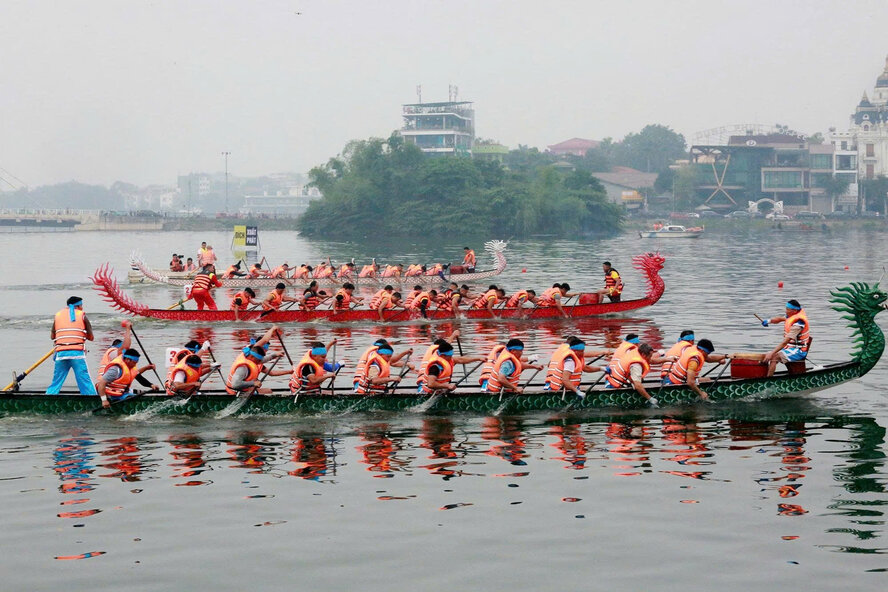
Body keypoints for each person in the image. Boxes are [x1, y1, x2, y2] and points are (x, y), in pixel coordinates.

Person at [47, 296, 97, 395]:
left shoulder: (58, 315)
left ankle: (50, 396)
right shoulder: (82, 315)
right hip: (77, 354)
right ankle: (91, 397)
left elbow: (52, 336)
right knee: (84, 379)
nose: (82, 307)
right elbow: (91, 337)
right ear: (78, 306)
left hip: (61, 354)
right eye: (81, 305)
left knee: (56, 380)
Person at [224, 326, 288, 395]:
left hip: (242, 389)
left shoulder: (250, 352)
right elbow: (235, 385)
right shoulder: (243, 367)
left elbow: (265, 364)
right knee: (268, 392)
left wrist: (274, 355)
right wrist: (253, 383)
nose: (259, 362)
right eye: (265, 350)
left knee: (266, 390)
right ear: (252, 357)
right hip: (235, 392)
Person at [762, 299, 811, 377]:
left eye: (787, 309)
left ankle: (767, 381)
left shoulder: (799, 323)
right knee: (766, 355)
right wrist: (769, 321)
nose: (786, 311)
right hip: (789, 348)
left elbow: (785, 342)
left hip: (799, 351)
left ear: (794, 310)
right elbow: (780, 319)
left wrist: (772, 353)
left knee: (773, 356)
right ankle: (764, 375)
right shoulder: (791, 316)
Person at [416, 340, 484, 394]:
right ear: (442, 355)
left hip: (440, 391)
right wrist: (447, 386)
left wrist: (478, 359)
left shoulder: (447, 359)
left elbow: (461, 359)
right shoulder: (435, 367)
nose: (451, 357)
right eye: (450, 355)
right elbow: (430, 384)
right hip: (429, 393)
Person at [660, 330, 729, 380]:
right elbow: (707, 358)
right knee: (707, 380)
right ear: (691, 340)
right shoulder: (689, 348)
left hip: (664, 377)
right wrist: (723, 358)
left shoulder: (675, 346)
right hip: (674, 377)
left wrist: (721, 358)